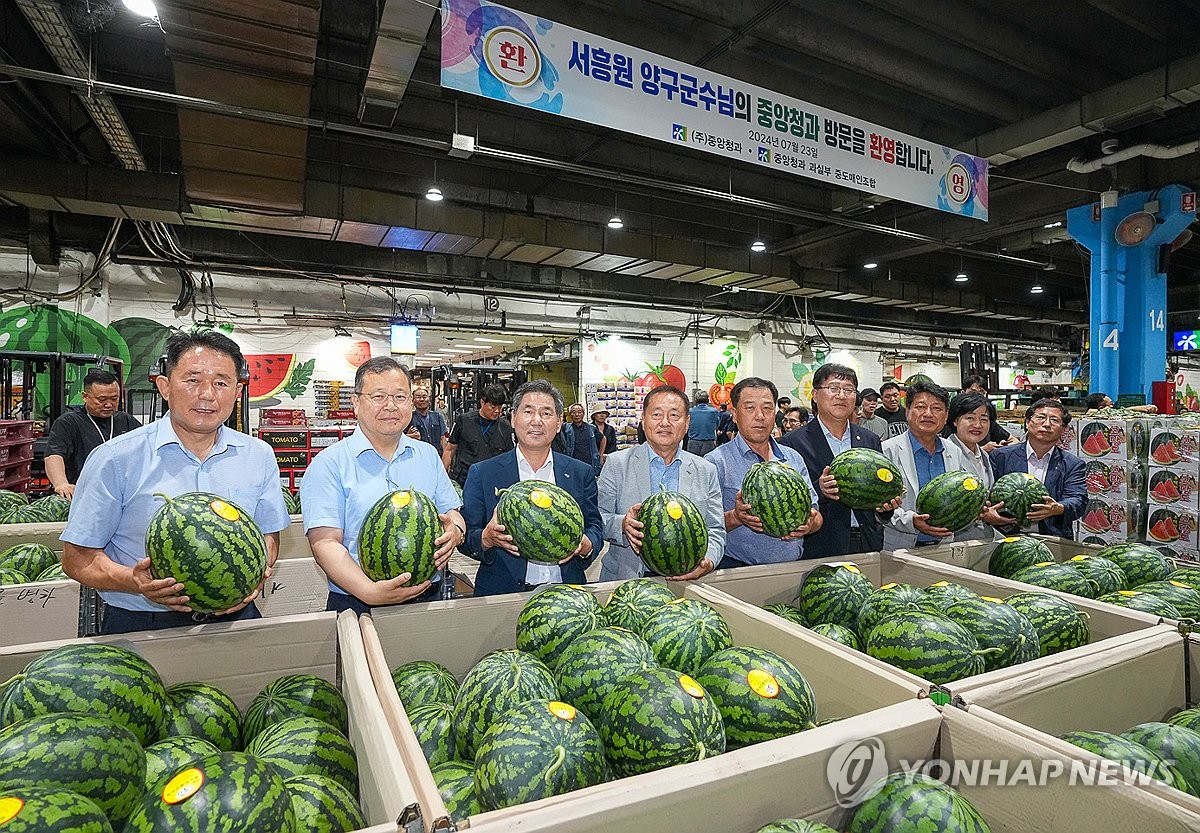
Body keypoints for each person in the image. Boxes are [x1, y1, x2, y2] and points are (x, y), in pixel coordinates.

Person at [60, 331, 290, 634]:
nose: (207, 394)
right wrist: (134, 580)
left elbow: (268, 536)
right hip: (142, 624)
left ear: (237, 391)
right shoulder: (114, 459)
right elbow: (77, 559)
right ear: (165, 386)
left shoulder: (258, 455)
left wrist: (256, 574)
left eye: (221, 382)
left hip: (238, 618)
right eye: (192, 380)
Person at [301, 358, 465, 614]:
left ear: (410, 402)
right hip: (356, 602)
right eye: (378, 396)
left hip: (427, 598)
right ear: (356, 402)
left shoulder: (428, 456)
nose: (390, 405)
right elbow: (324, 543)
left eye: (400, 397)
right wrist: (369, 592)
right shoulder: (328, 464)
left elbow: (452, 512)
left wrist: (455, 530)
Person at [462, 380, 605, 596]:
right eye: (528, 411)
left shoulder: (580, 473)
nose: (536, 421)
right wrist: (486, 538)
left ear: (558, 424)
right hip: (503, 594)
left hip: (568, 595)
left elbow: (595, 525)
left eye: (546, 413)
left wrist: (587, 545)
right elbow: (467, 537)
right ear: (513, 418)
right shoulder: (483, 473)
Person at [597, 386, 724, 581]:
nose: (665, 423)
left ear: (687, 422)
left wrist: (709, 560)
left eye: (674, 415)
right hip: (626, 580)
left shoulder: (706, 470)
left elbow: (715, 529)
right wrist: (622, 524)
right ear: (643, 419)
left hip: (687, 582)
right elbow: (598, 519)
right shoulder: (617, 464)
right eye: (656, 414)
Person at [782, 365, 900, 558]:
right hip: (821, 546)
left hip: (867, 543)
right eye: (834, 388)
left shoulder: (869, 440)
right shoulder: (792, 443)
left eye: (849, 390)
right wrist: (819, 490)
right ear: (814, 394)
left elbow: (877, 497)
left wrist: (885, 507)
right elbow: (788, 501)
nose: (842, 395)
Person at [705, 378, 822, 568]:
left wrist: (810, 524)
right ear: (734, 414)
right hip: (737, 570)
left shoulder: (793, 459)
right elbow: (703, 527)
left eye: (767, 408)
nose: (760, 416)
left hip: (792, 569)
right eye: (750, 408)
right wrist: (736, 517)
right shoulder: (715, 462)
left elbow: (816, 515)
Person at [881, 380, 971, 550]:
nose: (928, 414)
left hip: (944, 547)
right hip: (900, 548)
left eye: (937, 409)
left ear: (945, 417)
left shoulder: (954, 451)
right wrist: (911, 521)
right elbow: (879, 504)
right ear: (907, 412)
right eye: (921, 407)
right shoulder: (887, 450)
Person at [988, 398, 1086, 539]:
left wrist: (1058, 508)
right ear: (1028, 423)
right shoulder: (1001, 456)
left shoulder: (1072, 464)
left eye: (1054, 420)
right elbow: (988, 493)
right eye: (1041, 417)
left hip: (1052, 538)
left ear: (1063, 430)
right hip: (1005, 536)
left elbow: (1078, 500)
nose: (1047, 424)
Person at [45, 367, 141, 499]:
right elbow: (54, 455)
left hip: (121, 494)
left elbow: (146, 449)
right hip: (82, 495)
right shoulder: (68, 422)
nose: (108, 404)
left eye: (114, 399)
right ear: (85, 396)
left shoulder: (125, 420)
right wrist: (61, 484)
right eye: (102, 400)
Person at [943, 392, 1001, 542]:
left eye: (984, 419)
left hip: (981, 539)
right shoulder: (943, 453)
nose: (977, 425)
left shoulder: (985, 456)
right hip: (952, 542)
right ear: (955, 420)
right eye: (970, 418)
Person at [442, 384, 514, 486]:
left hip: (493, 481)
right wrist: (443, 476)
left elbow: (510, 458)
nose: (497, 411)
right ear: (482, 402)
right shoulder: (464, 420)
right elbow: (450, 449)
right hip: (464, 480)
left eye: (500, 407)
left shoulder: (505, 427)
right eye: (493, 407)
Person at [961, 375, 1014, 449]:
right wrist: (983, 449)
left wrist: (1004, 447)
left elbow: (1013, 441)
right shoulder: (955, 417)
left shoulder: (990, 422)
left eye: (981, 392)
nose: (977, 425)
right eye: (970, 418)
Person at [405, 384, 448, 454]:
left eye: (424, 397)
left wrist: (445, 461)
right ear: (412, 400)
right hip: (417, 456)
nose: (422, 399)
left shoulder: (437, 416)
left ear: (429, 399)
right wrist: (408, 436)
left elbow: (443, 439)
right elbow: (398, 439)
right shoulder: (408, 417)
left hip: (436, 455)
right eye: (418, 397)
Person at [561, 403, 602, 474]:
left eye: (579, 412)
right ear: (570, 414)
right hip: (573, 463)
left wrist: (600, 455)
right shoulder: (566, 428)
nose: (577, 414)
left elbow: (603, 438)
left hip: (590, 463)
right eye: (574, 412)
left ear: (583, 414)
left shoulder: (591, 428)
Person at [686, 391, 721, 457]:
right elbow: (717, 425)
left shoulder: (690, 411)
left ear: (695, 400)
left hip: (693, 442)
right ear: (708, 400)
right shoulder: (714, 411)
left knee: (692, 465)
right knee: (708, 465)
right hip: (709, 443)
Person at [1085, 392, 1157, 414]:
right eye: (1111, 404)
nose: (1113, 407)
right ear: (1101, 408)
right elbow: (1121, 412)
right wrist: (1144, 408)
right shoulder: (1093, 413)